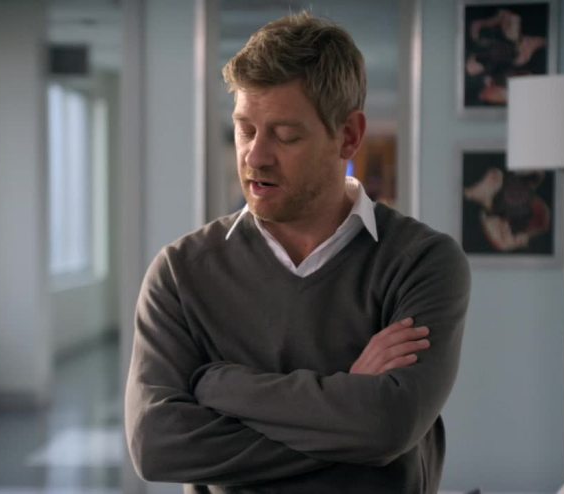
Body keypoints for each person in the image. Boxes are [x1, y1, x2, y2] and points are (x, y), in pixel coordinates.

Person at [125, 12, 470, 493]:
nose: (255, 156)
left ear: (348, 136)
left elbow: (386, 427)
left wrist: (219, 385)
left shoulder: (422, 262)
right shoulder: (180, 273)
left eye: (285, 135)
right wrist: (347, 411)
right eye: (245, 130)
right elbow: (157, 445)